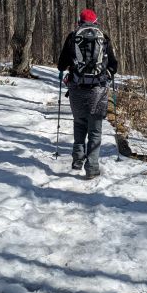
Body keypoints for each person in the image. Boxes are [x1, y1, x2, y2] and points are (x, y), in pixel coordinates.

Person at [57, 9, 118, 178]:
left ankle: (77, 160)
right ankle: (92, 168)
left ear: (79, 22)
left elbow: (61, 64)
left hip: (77, 89)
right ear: (96, 21)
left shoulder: (73, 37)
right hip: (98, 90)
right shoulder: (103, 37)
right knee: (95, 130)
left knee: (79, 123)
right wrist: (107, 73)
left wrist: (69, 68)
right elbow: (114, 65)